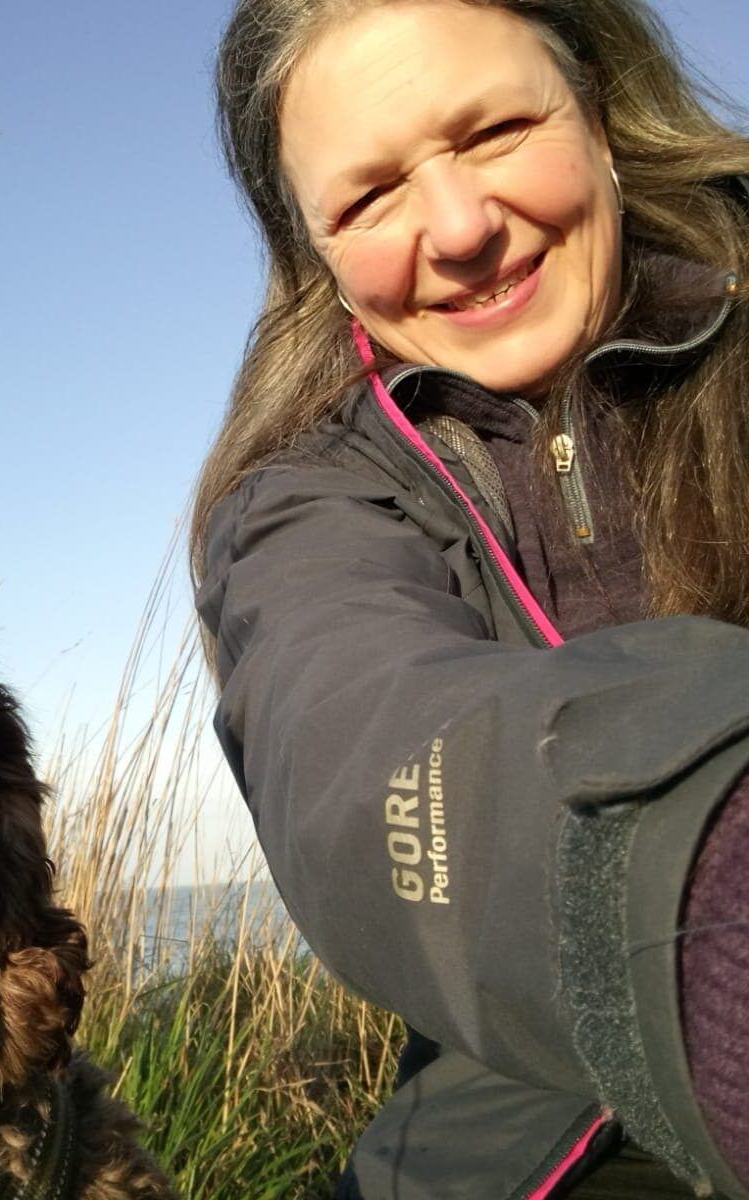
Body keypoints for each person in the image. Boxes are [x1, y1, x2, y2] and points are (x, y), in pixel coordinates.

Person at [190, 0, 749, 1196]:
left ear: (597, 109)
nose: (457, 228)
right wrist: (705, 910)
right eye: (370, 197)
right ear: (316, 254)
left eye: (494, 131)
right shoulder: (306, 501)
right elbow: (353, 732)